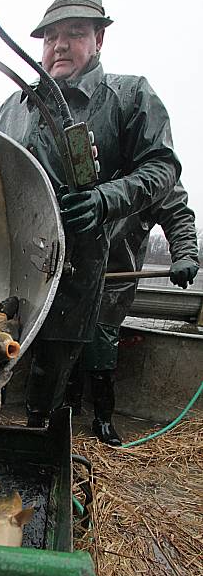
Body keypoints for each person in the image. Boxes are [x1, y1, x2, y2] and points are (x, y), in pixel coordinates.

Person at [0, 0, 181, 427]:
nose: (59, 45)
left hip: (77, 272)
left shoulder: (130, 97)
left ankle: (43, 441)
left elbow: (163, 169)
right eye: (51, 36)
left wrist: (105, 199)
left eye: (74, 32)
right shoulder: (15, 106)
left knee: (51, 381)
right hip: (8, 267)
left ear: (99, 38)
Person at [66, 181, 199, 444]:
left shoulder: (151, 165)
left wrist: (185, 254)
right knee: (64, 335)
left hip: (116, 275)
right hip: (71, 270)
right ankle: (67, 406)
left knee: (102, 340)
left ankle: (103, 418)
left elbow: (176, 211)